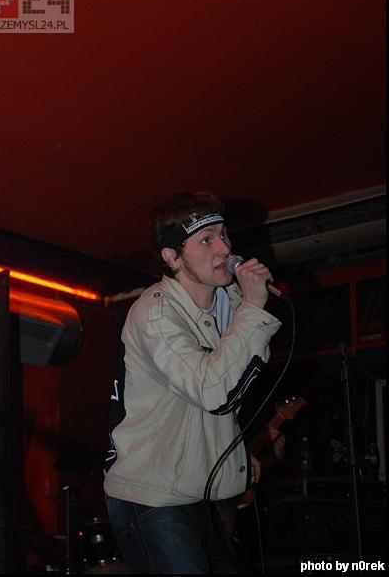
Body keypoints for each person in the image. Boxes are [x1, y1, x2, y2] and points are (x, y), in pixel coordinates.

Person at [104, 191, 282, 574]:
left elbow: (217, 398)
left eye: (223, 234)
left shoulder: (231, 303)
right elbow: (212, 392)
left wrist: (232, 455)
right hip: (153, 498)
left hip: (201, 493)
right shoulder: (156, 315)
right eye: (206, 240)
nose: (224, 248)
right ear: (172, 257)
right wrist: (253, 308)